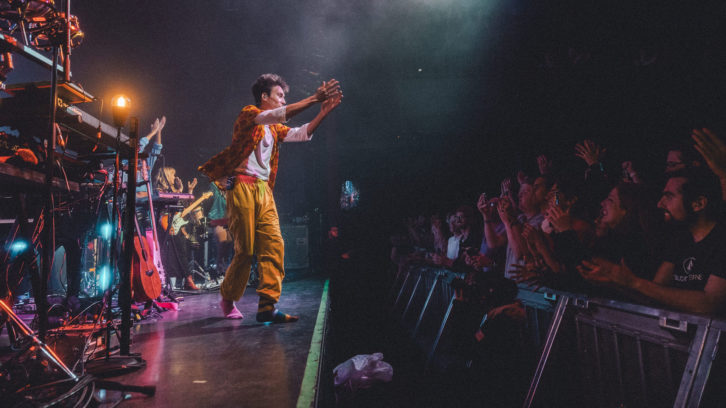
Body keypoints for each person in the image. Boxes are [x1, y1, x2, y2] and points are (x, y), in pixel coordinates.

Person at [198, 73, 342, 321]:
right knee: (246, 250)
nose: (283, 99)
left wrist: (322, 112)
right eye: (279, 95)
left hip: (264, 190)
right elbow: (279, 114)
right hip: (241, 185)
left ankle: (267, 306)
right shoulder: (249, 114)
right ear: (264, 97)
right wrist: (314, 98)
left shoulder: (274, 129)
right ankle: (228, 297)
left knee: (274, 244)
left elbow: (300, 133)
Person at [578, 168, 726, 314]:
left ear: (698, 204)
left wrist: (633, 282)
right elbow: (655, 296)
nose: (659, 204)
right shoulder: (681, 240)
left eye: (668, 197)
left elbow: (709, 304)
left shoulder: (720, 240)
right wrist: (615, 281)